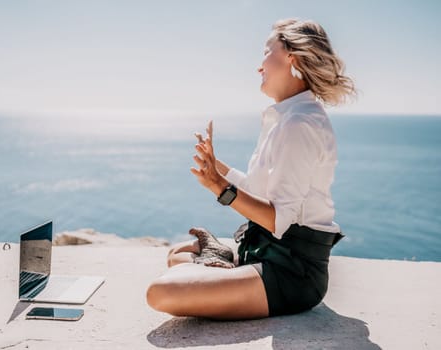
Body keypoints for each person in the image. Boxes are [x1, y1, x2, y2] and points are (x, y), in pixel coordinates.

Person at [146, 18, 356, 320]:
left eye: (266, 52)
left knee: (161, 292)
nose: (260, 66)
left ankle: (227, 265)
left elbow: (278, 220)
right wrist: (216, 169)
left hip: (291, 272)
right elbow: (260, 192)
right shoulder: (286, 117)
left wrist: (220, 188)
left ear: (290, 58)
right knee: (177, 256)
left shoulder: (300, 123)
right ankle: (227, 261)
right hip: (262, 251)